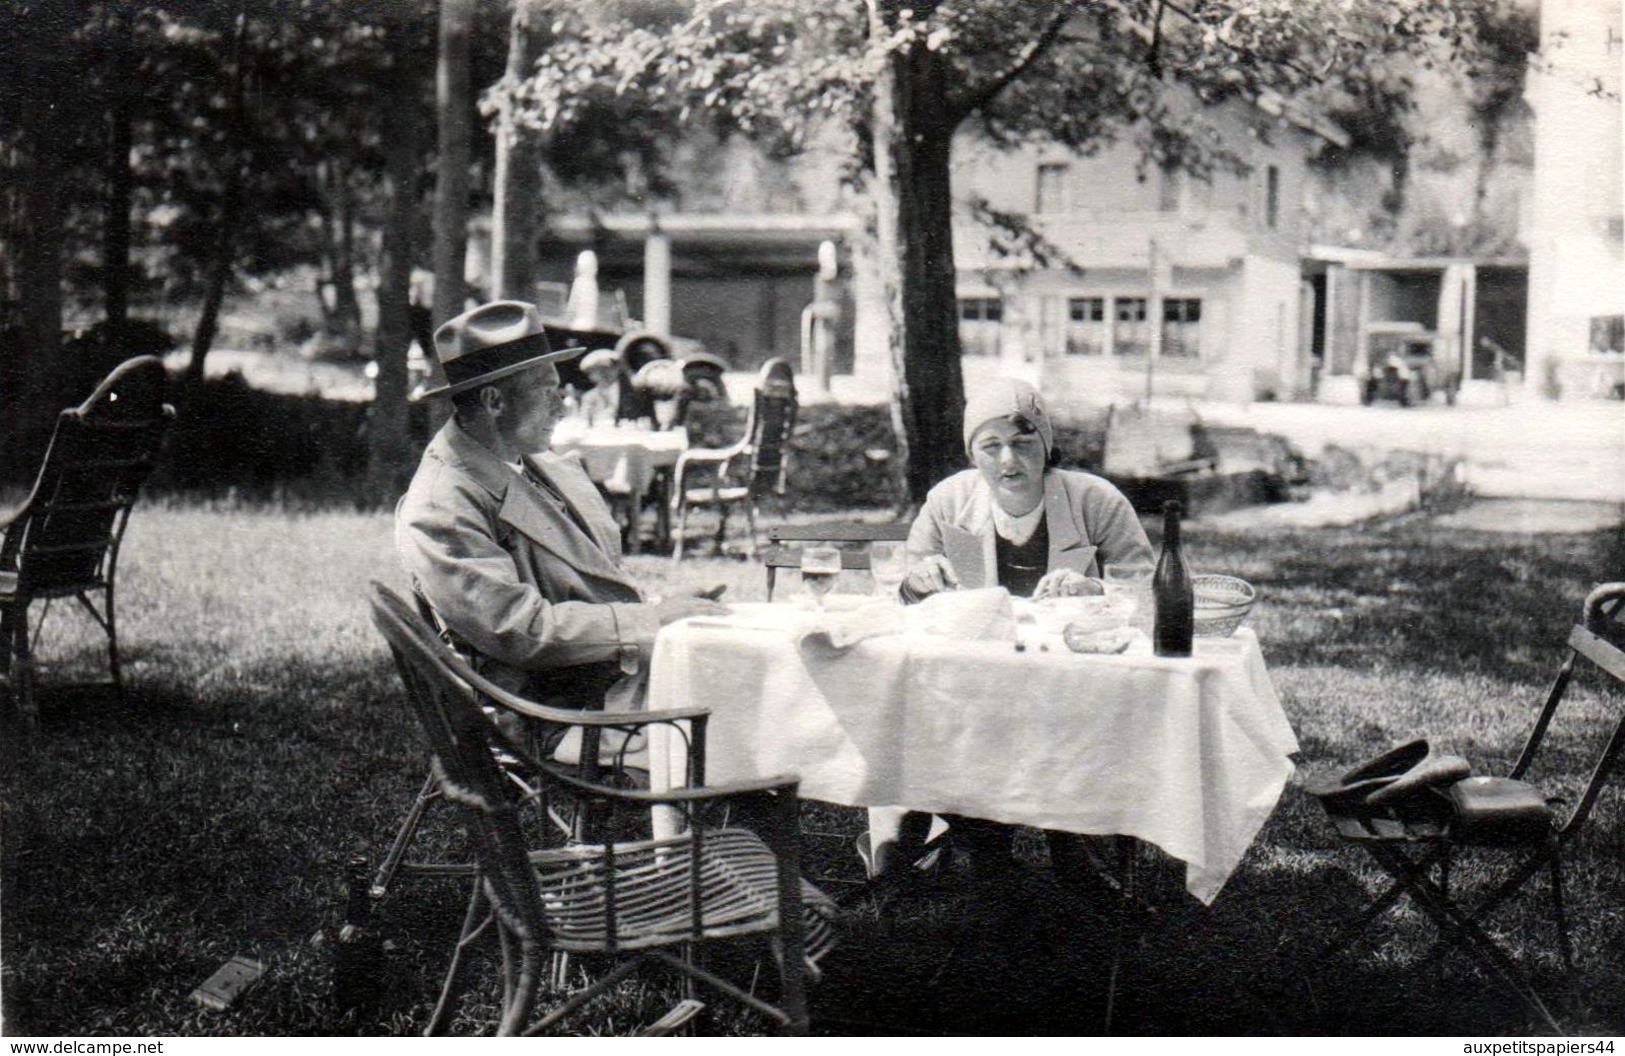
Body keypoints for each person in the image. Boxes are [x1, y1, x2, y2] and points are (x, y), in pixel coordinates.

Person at [867, 375, 1154, 882]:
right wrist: (918, 580)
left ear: (1046, 448)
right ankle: (979, 843)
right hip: (971, 689)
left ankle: (1072, 845)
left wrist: (1098, 593)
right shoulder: (948, 502)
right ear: (972, 453)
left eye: (1023, 443)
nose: (1008, 461)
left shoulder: (1096, 501)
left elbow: (1144, 590)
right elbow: (895, 599)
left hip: (1073, 692)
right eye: (990, 446)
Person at [395, 300, 727, 722]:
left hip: (599, 680)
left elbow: (581, 584)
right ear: (495, 402)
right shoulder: (442, 502)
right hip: (557, 712)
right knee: (740, 709)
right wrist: (652, 618)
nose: (563, 404)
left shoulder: (531, 462)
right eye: (547, 390)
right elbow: (522, 631)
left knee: (744, 679)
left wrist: (665, 606)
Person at [577, 347, 655, 427]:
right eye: (599, 371)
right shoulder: (590, 397)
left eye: (607, 369)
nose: (604, 374)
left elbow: (648, 423)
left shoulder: (637, 392)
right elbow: (585, 424)